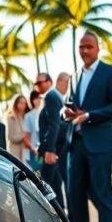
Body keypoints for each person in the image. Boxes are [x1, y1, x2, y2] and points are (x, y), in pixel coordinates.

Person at [63, 32, 112, 222]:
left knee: (102, 197)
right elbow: (66, 107)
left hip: (99, 144)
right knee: (75, 196)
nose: (85, 51)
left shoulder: (110, 72)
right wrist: (65, 114)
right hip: (75, 143)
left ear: (98, 49)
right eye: (81, 47)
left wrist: (88, 115)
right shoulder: (74, 76)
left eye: (89, 47)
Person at [38, 72, 71, 210]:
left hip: (55, 150)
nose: (70, 87)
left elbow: (56, 125)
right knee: (50, 186)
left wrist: (50, 149)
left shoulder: (55, 98)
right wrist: (49, 149)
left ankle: (62, 219)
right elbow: (54, 125)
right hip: (53, 150)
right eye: (68, 83)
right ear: (60, 81)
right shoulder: (53, 96)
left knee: (49, 186)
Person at [4, 94, 29, 162]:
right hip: (14, 153)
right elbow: (11, 137)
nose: (23, 105)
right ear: (15, 103)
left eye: (24, 103)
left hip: (24, 154)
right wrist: (23, 136)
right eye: (21, 103)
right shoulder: (11, 117)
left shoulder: (26, 117)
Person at [23, 90, 42, 168]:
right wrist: (34, 149)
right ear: (33, 100)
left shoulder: (48, 113)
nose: (39, 100)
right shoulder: (29, 116)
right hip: (34, 154)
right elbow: (25, 138)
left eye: (40, 98)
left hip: (48, 152)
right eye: (37, 98)